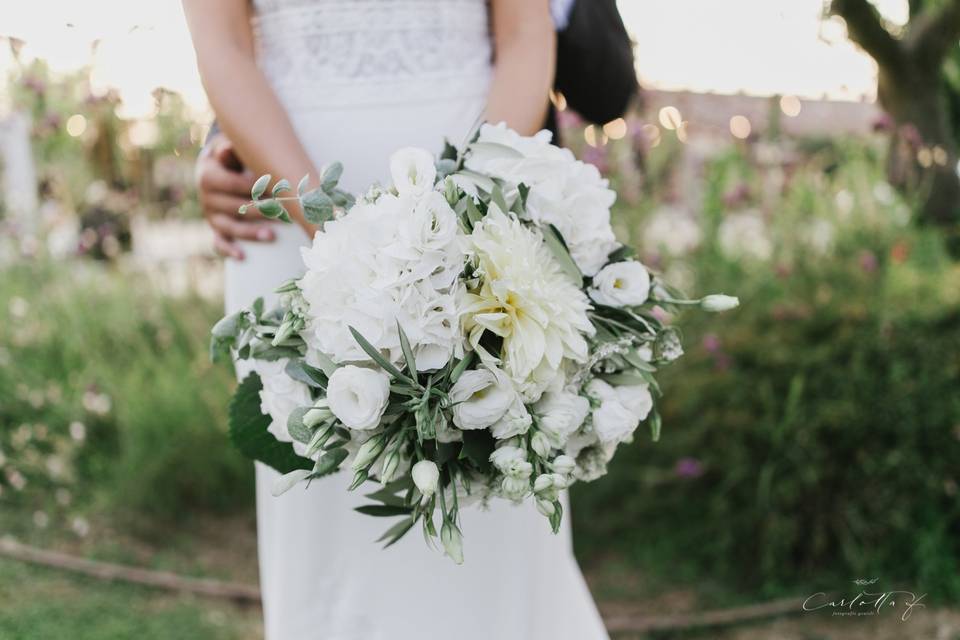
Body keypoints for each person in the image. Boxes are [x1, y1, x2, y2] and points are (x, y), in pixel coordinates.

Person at [182, 1, 610, 639]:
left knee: (494, 482)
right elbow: (222, 46)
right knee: (323, 508)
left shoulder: (477, 200)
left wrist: (472, 213)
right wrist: (334, 233)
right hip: (285, 194)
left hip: (475, 176)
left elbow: (524, 32)